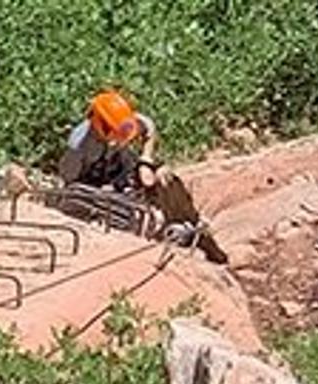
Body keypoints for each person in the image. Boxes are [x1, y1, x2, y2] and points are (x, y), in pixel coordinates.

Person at [58, 90, 227, 264]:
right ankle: (158, 234)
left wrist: (146, 160)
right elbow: (70, 181)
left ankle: (193, 226)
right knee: (120, 212)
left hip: (123, 170)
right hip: (97, 186)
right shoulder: (78, 147)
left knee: (165, 177)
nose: (119, 140)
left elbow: (148, 126)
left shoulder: (125, 123)